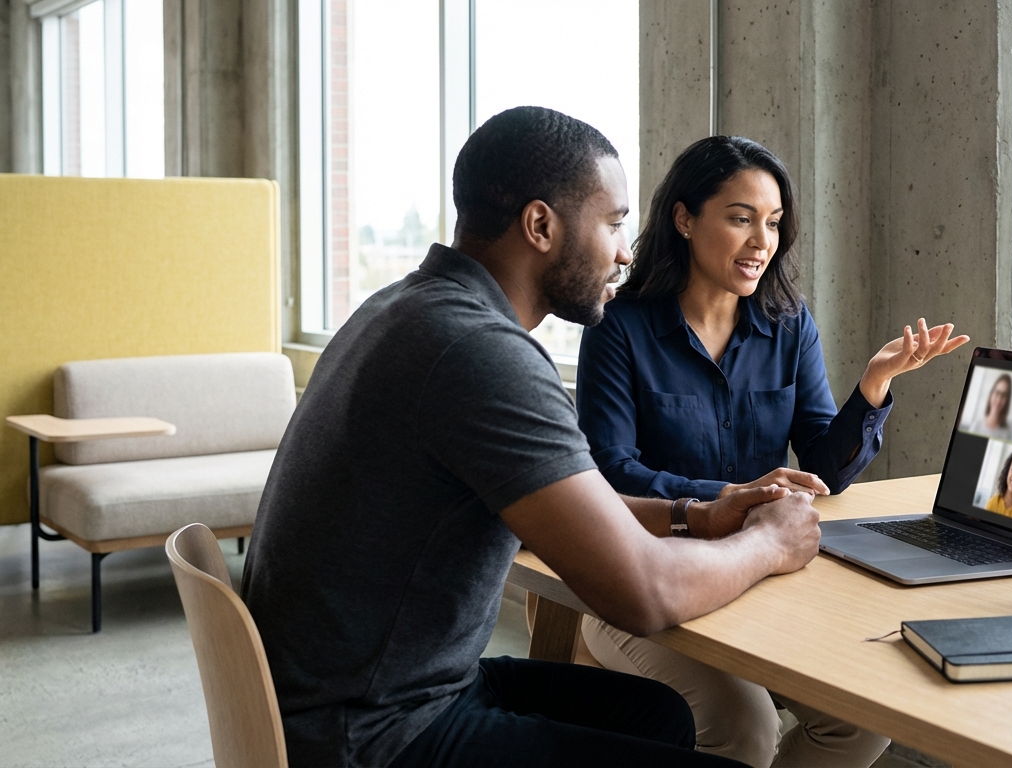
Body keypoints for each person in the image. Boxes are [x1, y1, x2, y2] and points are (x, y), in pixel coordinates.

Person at [241, 107, 823, 768]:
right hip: (375, 734)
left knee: (659, 715)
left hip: (373, 694)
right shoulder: (480, 353)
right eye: (612, 224)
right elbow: (642, 594)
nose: (625, 251)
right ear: (541, 225)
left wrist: (694, 514)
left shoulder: (406, 307)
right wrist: (770, 542)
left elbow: (564, 504)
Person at [575, 135, 969, 767]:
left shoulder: (789, 323)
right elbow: (611, 474)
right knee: (744, 726)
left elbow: (821, 472)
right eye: (740, 218)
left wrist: (872, 387)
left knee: (860, 718)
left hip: (758, 574)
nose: (763, 241)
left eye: (774, 223)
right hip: (642, 573)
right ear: (684, 218)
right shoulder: (619, 328)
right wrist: (732, 498)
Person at [975, 373, 1012, 440]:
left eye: (1004, 395)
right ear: (991, 394)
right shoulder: (976, 425)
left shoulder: (1007, 432)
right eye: (997, 392)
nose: (999, 400)